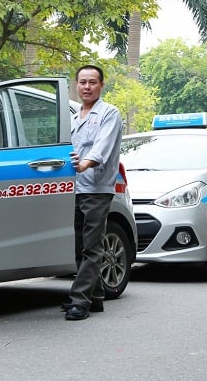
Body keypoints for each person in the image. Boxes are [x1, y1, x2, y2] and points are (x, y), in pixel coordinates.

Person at [60, 64, 122, 321]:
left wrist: (85, 163)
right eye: (83, 82)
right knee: (79, 246)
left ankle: (79, 301)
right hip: (74, 188)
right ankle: (95, 297)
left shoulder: (109, 113)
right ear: (76, 85)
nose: (87, 87)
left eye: (92, 82)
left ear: (101, 85)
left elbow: (102, 148)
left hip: (96, 187)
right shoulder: (73, 118)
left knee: (92, 247)